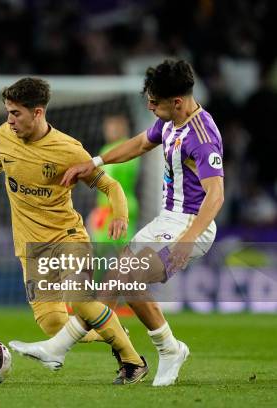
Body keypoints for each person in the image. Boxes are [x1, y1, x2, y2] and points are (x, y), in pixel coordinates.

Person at [0, 77, 148, 385]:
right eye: (8, 112)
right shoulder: (3, 136)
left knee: (81, 300)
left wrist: (120, 214)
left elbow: (109, 185)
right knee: (52, 324)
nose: (10, 120)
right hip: (31, 247)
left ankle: (133, 362)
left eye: (16, 113)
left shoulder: (68, 149)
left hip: (67, 238)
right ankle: (111, 331)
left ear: (38, 112)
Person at [61, 59, 224, 386]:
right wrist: (94, 162)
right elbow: (138, 144)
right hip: (166, 220)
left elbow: (216, 195)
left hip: (191, 224)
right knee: (114, 281)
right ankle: (149, 352)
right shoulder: (169, 123)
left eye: (154, 102)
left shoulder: (202, 136)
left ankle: (64, 346)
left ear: (177, 102)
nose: (149, 106)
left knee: (127, 276)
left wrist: (188, 239)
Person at [89, 113, 139, 244]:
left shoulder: (129, 149)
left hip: (121, 208)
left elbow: (113, 181)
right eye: (108, 127)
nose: (110, 130)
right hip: (105, 209)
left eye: (114, 126)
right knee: (100, 254)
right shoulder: (105, 149)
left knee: (122, 252)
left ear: (123, 127)